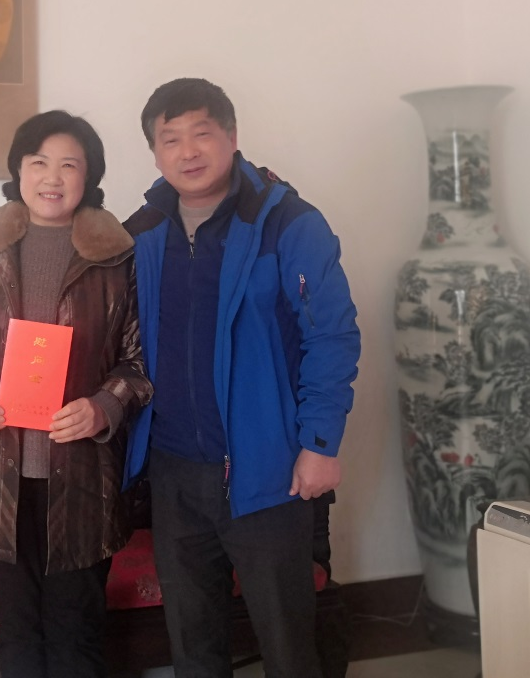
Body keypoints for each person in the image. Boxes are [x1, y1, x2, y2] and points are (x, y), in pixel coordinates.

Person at [123, 78, 361, 678]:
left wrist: (320, 444)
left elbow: (331, 337)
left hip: (268, 469)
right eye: (170, 139)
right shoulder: (143, 231)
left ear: (231, 137)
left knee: (287, 646)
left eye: (202, 133)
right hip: (174, 470)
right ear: (155, 153)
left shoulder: (287, 223)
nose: (188, 151)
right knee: (193, 644)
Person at [0, 109, 153, 678]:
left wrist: (104, 405)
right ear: (18, 171)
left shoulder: (117, 255)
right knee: (20, 637)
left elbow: (141, 360)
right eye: (39, 162)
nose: (52, 177)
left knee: (78, 638)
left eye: (69, 165)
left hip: (81, 481)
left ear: (89, 176)